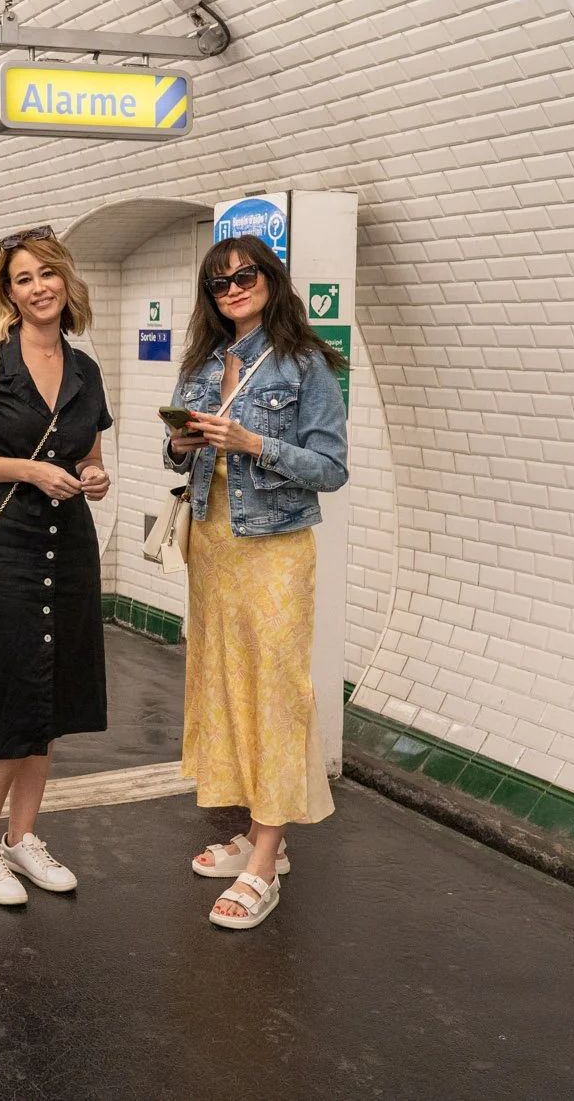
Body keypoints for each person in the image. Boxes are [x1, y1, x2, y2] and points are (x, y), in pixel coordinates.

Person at [168, 235, 349, 932]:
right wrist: (181, 440)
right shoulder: (208, 361)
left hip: (274, 548)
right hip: (213, 545)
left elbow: (330, 468)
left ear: (270, 280)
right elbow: (177, 444)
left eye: (246, 275)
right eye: (220, 283)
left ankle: (266, 857)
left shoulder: (306, 364)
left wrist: (254, 444)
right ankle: (254, 826)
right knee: (228, 686)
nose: (234, 288)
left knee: (276, 690)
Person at [0, 228, 113, 906]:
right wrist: (29, 469)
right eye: (22, 278)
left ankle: (22, 837)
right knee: (3, 689)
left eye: (46, 274)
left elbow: (90, 452)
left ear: (65, 280)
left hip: (68, 543)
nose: (37, 287)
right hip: (3, 540)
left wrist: (92, 475)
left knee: (47, 693)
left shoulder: (84, 368)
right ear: (7, 292)